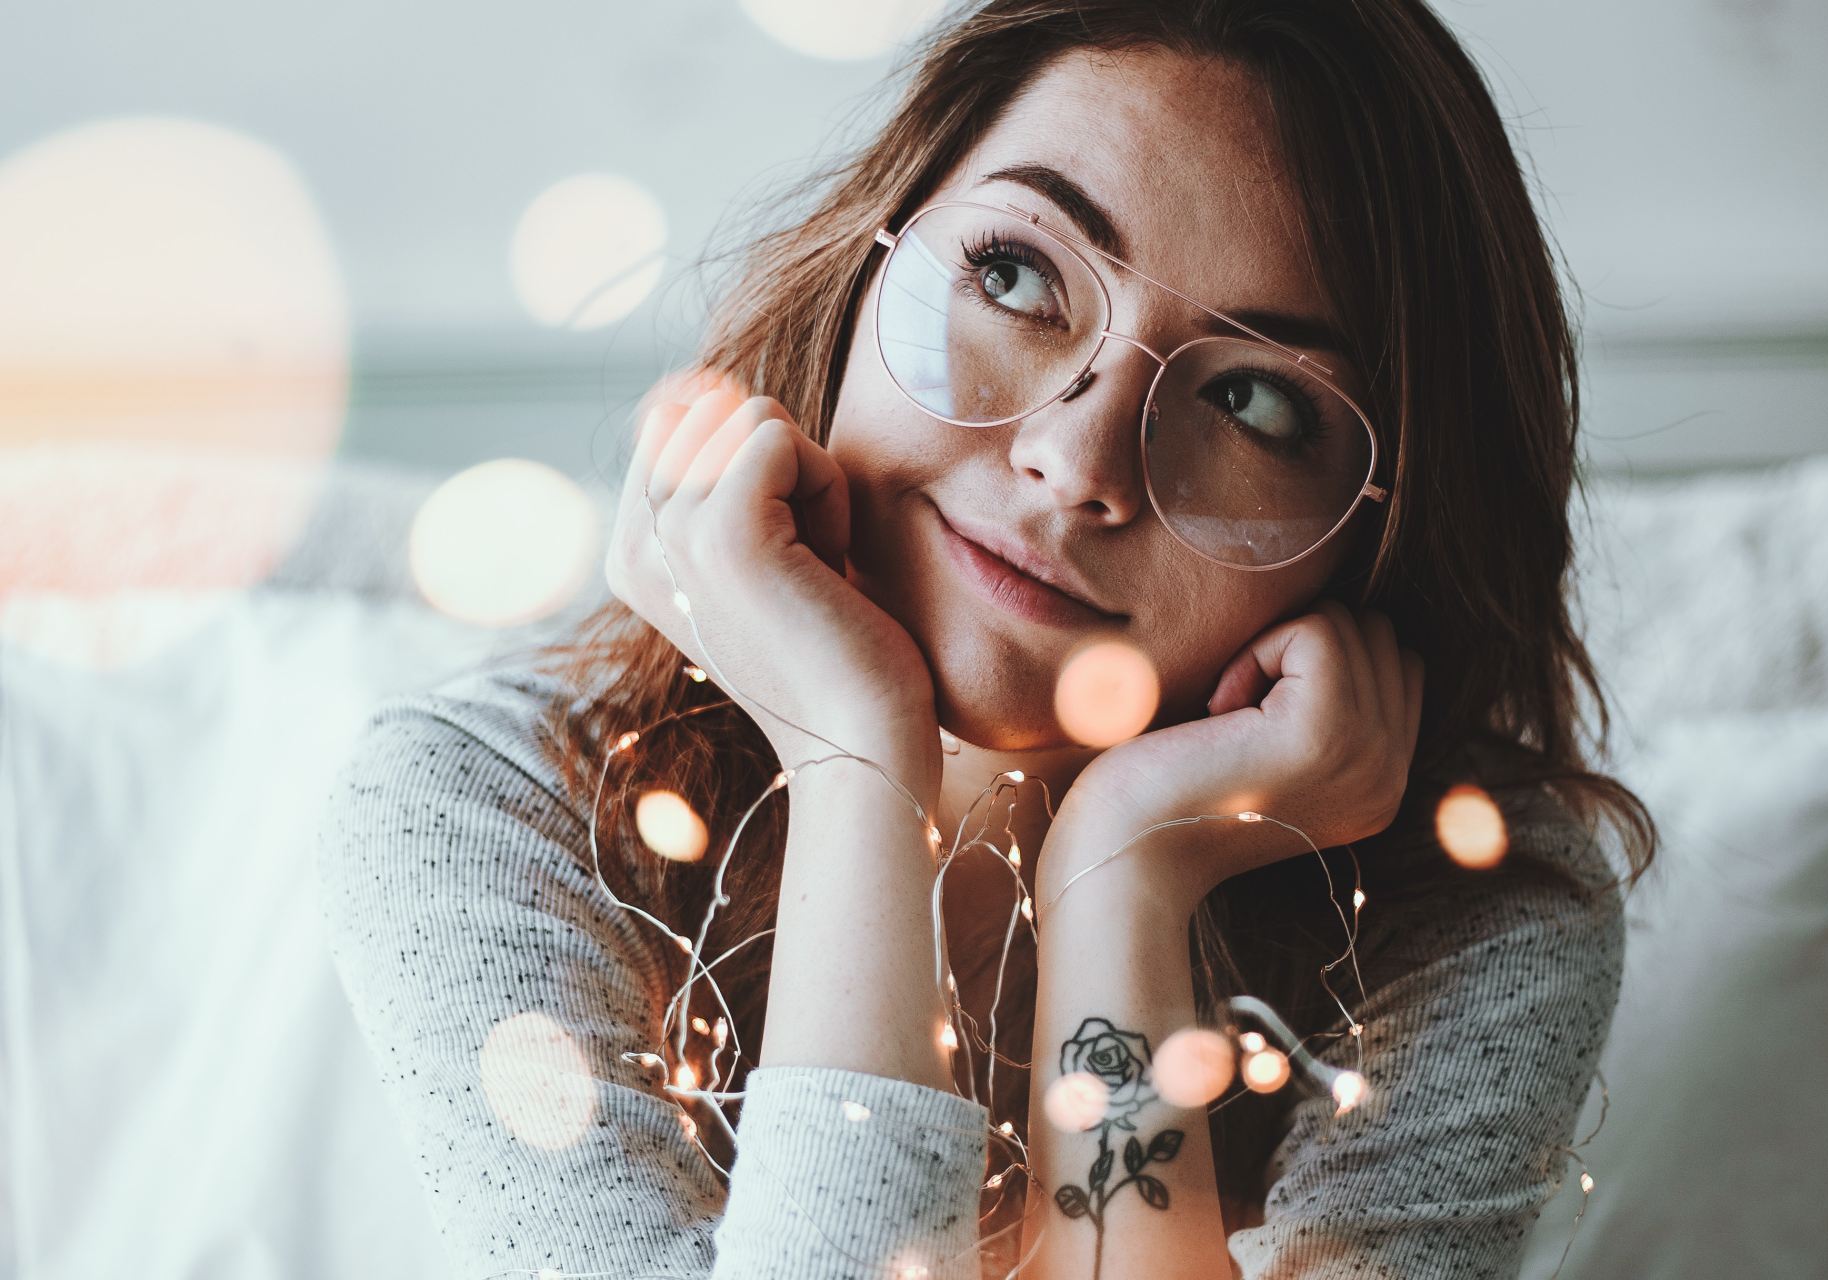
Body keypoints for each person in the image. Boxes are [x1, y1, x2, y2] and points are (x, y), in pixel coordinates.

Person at [315, 2, 1656, 1276]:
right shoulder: (492, 811)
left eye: (1254, 400)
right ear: (870, 254)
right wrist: (856, 775)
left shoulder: (1475, 903)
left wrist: (1124, 881)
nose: (1078, 463)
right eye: (1014, 274)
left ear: (1378, 528)